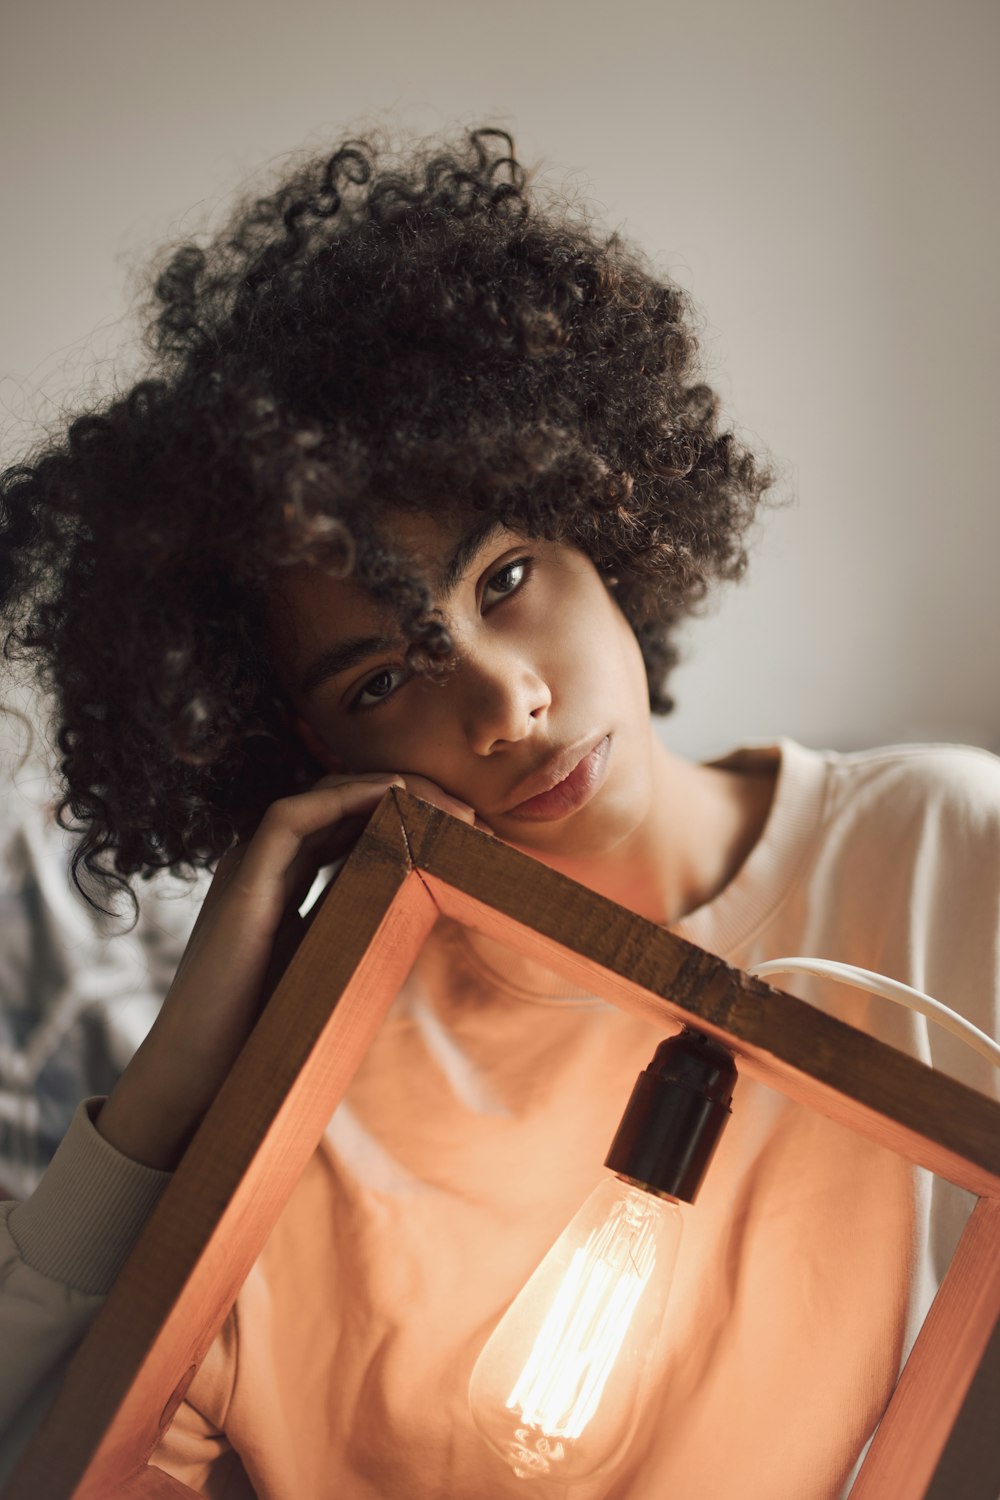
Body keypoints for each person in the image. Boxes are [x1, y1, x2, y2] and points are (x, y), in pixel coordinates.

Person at [0, 124, 997, 1500]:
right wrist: (175, 1085)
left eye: (507, 576)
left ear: (607, 510)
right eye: (386, 678)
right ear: (305, 740)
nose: (507, 702)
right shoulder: (324, 1094)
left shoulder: (946, 854)